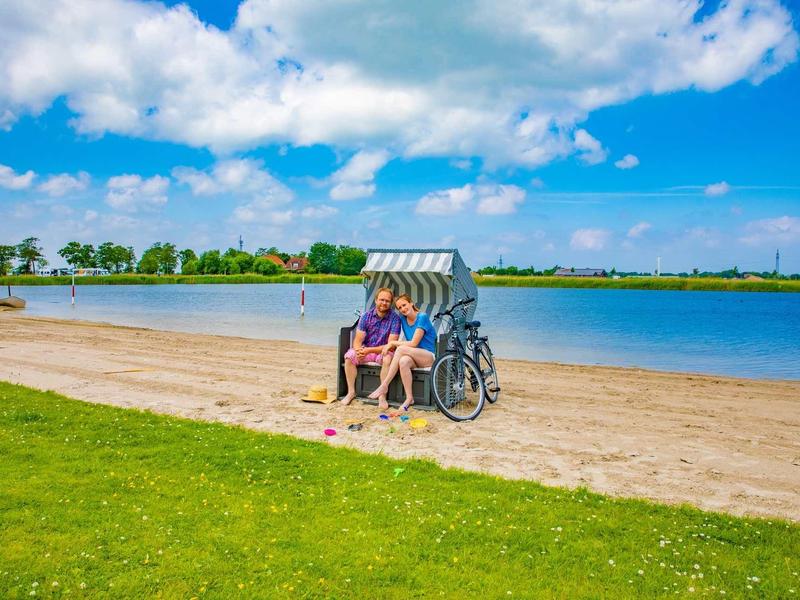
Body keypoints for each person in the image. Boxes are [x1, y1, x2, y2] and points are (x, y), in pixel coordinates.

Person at [368, 293, 436, 410]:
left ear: (411, 303)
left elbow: (414, 343)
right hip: (414, 355)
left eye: (404, 305)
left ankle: (384, 385)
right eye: (400, 308)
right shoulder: (403, 320)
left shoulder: (422, 317)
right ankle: (409, 398)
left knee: (400, 349)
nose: (403, 309)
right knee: (403, 361)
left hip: (428, 356)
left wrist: (392, 343)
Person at [341, 287, 401, 409]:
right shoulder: (366, 316)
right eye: (382, 300)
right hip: (366, 350)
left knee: (387, 359)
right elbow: (358, 340)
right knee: (349, 357)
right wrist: (358, 351)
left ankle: (382, 396)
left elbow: (390, 345)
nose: (384, 303)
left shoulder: (395, 319)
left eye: (387, 301)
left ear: (391, 303)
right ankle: (351, 392)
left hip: (384, 351)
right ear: (376, 300)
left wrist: (369, 350)